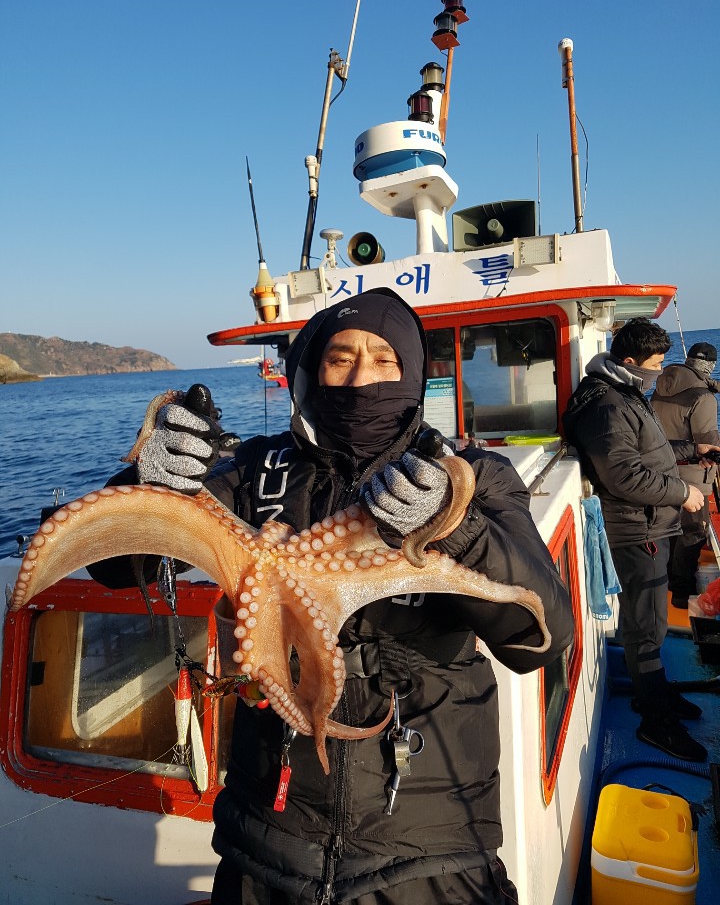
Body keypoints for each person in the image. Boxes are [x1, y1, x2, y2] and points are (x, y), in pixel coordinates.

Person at [90, 288, 574, 905]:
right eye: (340, 358)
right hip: (268, 833)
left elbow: (540, 639)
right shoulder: (254, 472)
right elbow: (116, 564)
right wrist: (152, 484)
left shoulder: (469, 477)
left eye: (384, 360)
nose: (361, 377)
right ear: (311, 371)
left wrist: (454, 527)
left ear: (413, 374)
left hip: (430, 843)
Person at [563, 318, 716, 764]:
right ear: (630, 361)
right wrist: (682, 492)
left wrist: (692, 451)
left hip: (649, 525)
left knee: (650, 623)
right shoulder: (607, 405)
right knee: (646, 629)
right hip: (638, 530)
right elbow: (624, 475)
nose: (660, 372)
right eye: (654, 364)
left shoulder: (621, 391)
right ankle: (655, 722)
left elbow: (646, 450)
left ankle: (657, 693)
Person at [651, 342, 720, 608]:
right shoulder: (703, 398)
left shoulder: (662, 385)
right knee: (692, 533)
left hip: (662, 471)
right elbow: (708, 444)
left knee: (668, 531)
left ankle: (666, 586)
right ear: (711, 366)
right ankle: (682, 594)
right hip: (693, 477)